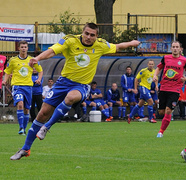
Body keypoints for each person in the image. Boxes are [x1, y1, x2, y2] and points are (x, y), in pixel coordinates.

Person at [10, 22, 140, 160]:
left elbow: (118, 46)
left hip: (82, 85)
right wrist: (37, 58)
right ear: (82, 32)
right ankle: (25, 149)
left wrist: (132, 42)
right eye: (86, 33)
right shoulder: (70, 40)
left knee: (70, 98)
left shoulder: (101, 45)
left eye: (92, 35)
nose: (89, 37)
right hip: (63, 82)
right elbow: (53, 51)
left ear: (97, 36)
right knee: (42, 114)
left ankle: (47, 127)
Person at [3, 41, 43, 135]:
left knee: (26, 109)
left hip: (28, 87)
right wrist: (5, 80)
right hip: (17, 86)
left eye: (25, 47)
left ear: (27, 48)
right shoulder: (13, 60)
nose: (23, 48)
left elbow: (40, 71)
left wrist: (39, 79)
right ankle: (21, 127)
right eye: (22, 47)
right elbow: (7, 71)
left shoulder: (31, 60)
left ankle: (23, 129)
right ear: (19, 48)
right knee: (20, 104)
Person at [153, 41, 186, 138]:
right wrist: (155, 75)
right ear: (171, 49)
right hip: (164, 87)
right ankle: (167, 117)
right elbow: (158, 68)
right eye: (173, 47)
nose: (175, 48)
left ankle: (161, 132)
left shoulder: (184, 60)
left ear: (180, 49)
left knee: (168, 110)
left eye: (177, 47)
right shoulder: (166, 58)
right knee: (161, 112)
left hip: (175, 89)